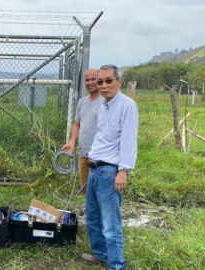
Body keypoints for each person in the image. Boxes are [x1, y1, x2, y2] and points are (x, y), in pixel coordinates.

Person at [80, 65, 138, 270]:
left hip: (109, 171)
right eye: (100, 81)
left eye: (108, 80)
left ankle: (116, 264)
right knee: (92, 217)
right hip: (95, 169)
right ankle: (101, 254)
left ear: (119, 82)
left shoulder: (127, 106)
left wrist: (123, 171)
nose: (103, 85)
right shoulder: (104, 106)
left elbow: (129, 140)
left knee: (110, 223)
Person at [62, 68, 104, 197]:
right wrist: (72, 142)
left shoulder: (106, 101)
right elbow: (76, 125)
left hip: (100, 157)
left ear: (100, 80)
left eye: (93, 79)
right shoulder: (82, 102)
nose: (90, 82)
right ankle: (90, 217)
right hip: (83, 154)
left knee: (102, 194)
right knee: (87, 194)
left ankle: (102, 218)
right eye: (87, 80)